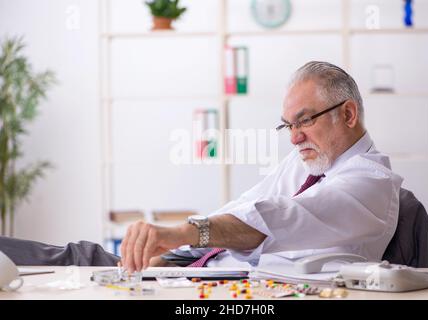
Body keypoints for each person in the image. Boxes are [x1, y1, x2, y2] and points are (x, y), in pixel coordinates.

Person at [0, 61, 403, 272]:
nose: (294, 136)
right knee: (74, 261)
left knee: (75, 266)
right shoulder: (304, 165)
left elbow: (278, 218)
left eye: (306, 120)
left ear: (348, 114)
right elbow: (244, 205)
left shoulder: (370, 183)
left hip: (233, 289)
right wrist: (177, 249)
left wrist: (179, 235)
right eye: (288, 125)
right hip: (198, 271)